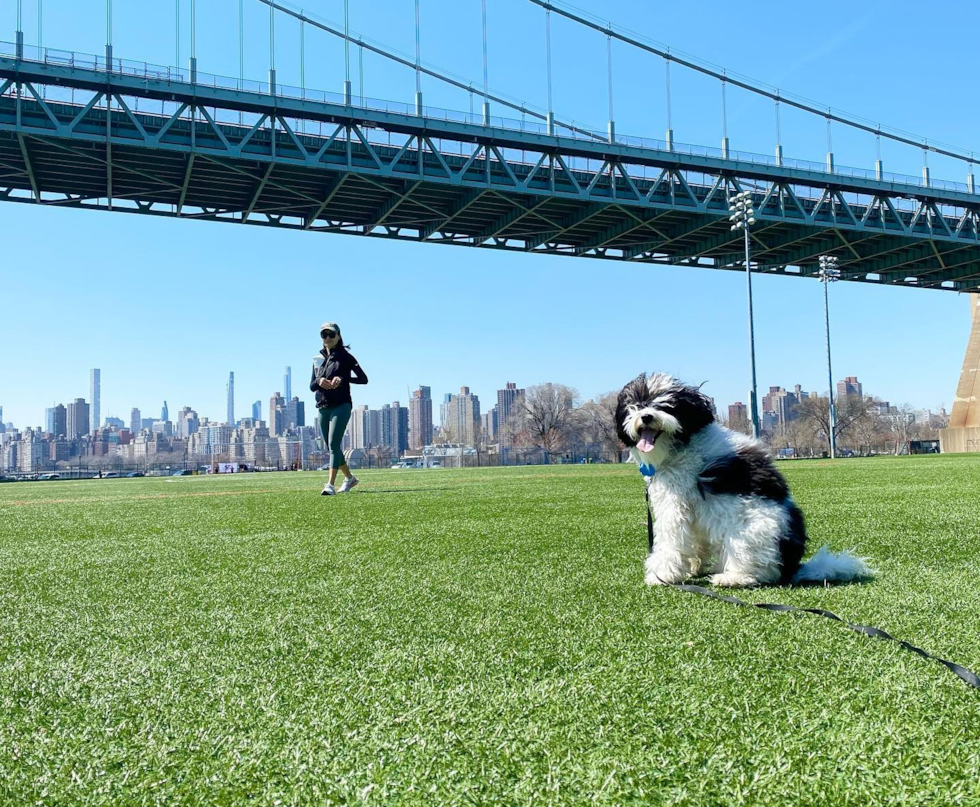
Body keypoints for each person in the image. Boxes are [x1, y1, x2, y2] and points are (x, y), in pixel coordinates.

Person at [311, 321, 368, 495]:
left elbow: (364, 379)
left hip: (341, 405)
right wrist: (319, 381)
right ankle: (350, 479)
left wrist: (343, 378)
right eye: (324, 335)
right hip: (323, 406)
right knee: (331, 447)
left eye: (331, 334)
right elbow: (312, 386)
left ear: (338, 336)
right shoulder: (318, 359)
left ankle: (329, 485)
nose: (327, 338)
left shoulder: (346, 357)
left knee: (334, 444)